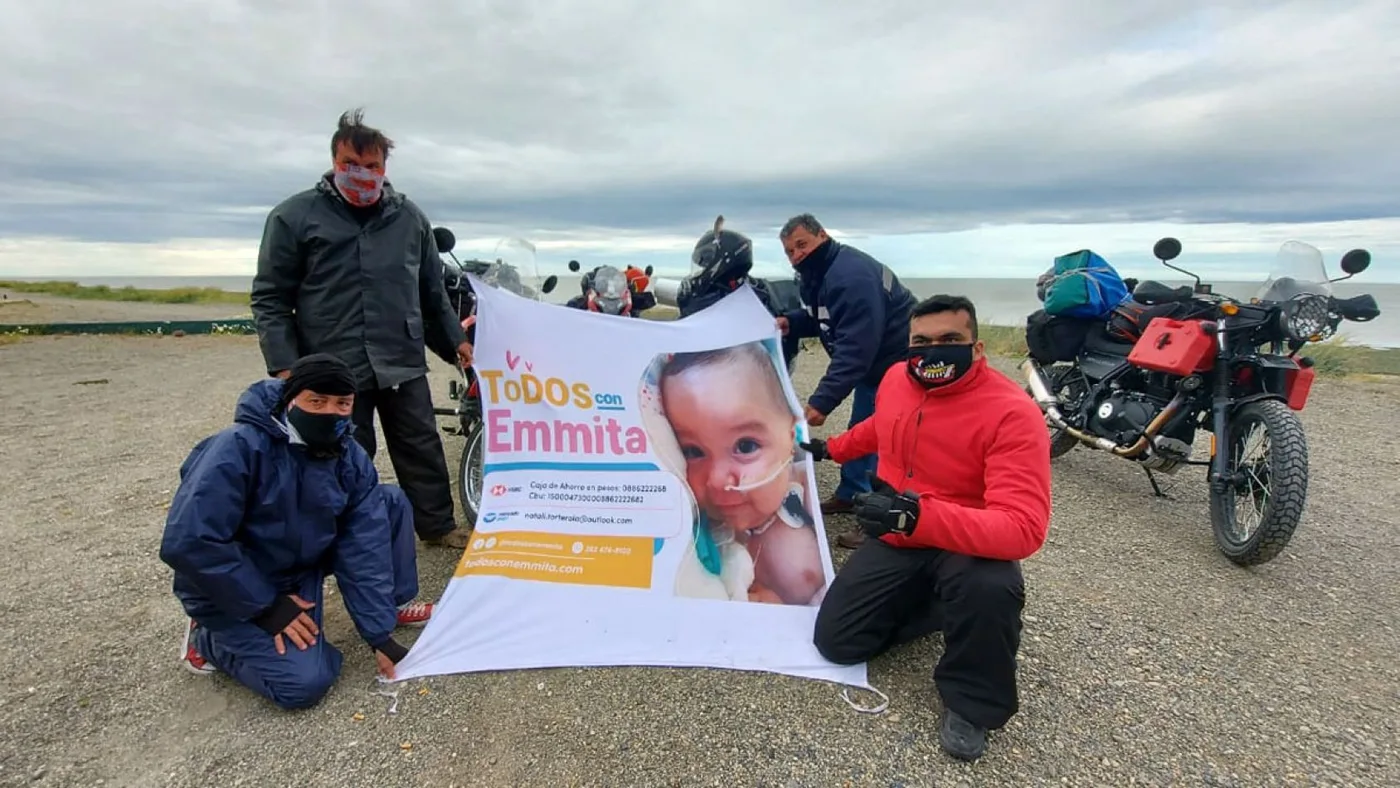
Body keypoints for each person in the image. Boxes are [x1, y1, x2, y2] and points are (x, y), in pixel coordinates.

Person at [797, 295, 1052, 762]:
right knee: (837, 643)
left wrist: (920, 517)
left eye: (950, 340)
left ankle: (971, 702)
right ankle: (940, 605)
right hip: (901, 536)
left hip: (967, 541)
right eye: (921, 342)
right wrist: (832, 449)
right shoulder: (898, 378)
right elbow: (880, 425)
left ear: (977, 347)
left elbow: (1023, 528)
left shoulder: (1013, 412)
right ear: (908, 344)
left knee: (990, 588)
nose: (933, 351)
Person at [250, 108, 473, 549]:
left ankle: (436, 527)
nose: (361, 174)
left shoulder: (410, 218)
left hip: (401, 358)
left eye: (372, 166)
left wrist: (457, 342)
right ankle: (338, 537)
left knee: (421, 446)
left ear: (384, 168)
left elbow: (432, 292)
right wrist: (285, 365)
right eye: (351, 164)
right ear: (334, 162)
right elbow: (270, 296)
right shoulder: (294, 217)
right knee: (339, 453)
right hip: (332, 362)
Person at [160, 354, 435, 710]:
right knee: (306, 683)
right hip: (246, 580)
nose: (330, 413)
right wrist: (268, 607)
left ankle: (391, 605)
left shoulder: (349, 454)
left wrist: (378, 634)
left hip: (301, 562)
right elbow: (190, 541)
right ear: (291, 398)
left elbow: (361, 545)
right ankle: (207, 639)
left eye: (342, 404)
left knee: (389, 501)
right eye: (316, 401)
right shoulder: (237, 447)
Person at [775, 213, 917, 548]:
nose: (796, 255)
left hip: (898, 363)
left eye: (801, 245)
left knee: (882, 439)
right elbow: (822, 318)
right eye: (790, 251)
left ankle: (878, 522)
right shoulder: (817, 274)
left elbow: (856, 347)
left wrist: (822, 402)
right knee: (860, 430)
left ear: (822, 235)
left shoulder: (850, 275)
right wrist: (790, 324)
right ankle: (852, 495)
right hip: (874, 366)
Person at [656, 342, 826, 606]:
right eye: (692, 451)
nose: (717, 480)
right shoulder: (697, 526)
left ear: (791, 435)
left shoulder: (802, 488)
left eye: (745, 446)